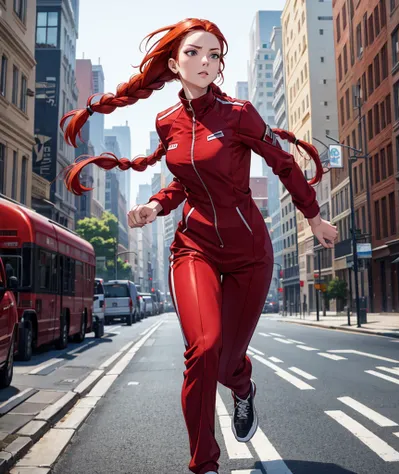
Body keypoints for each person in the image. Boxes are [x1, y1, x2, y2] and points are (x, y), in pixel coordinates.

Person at [58, 18, 338, 474]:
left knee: (227, 365)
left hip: (249, 253)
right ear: (173, 63)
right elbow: (183, 184)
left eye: (213, 55)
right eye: (194, 53)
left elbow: (285, 165)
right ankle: (204, 464)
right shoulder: (166, 121)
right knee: (203, 349)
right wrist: (153, 205)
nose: (205, 61)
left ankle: (242, 388)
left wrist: (313, 215)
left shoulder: (240, 114)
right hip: (194, 247)